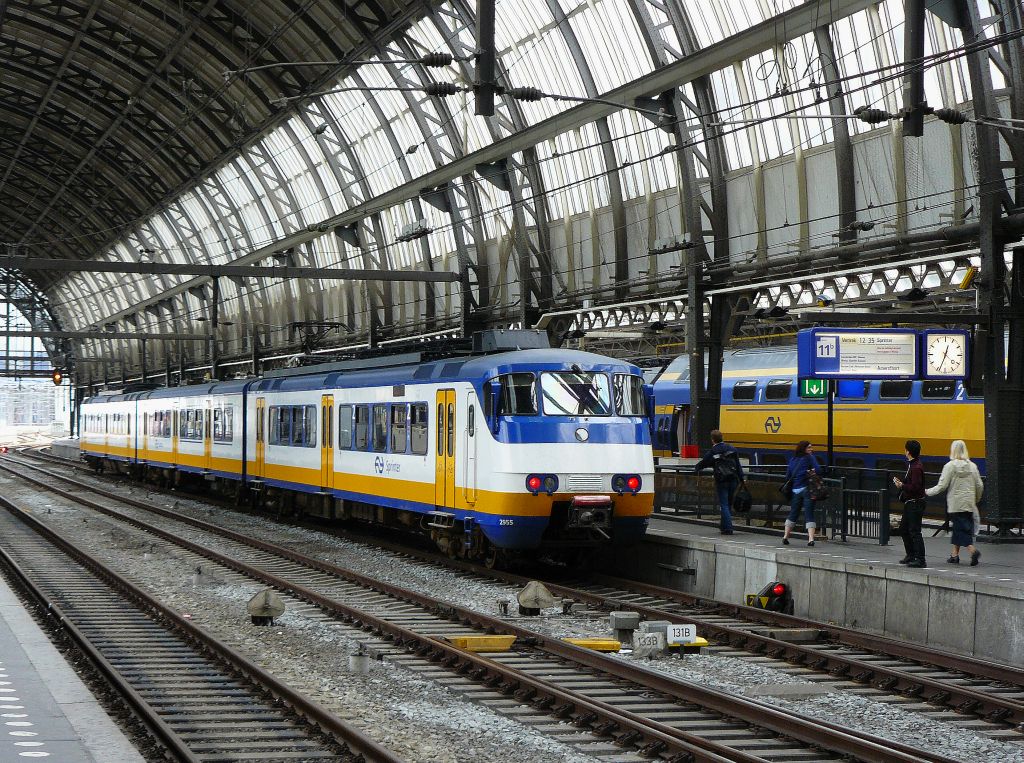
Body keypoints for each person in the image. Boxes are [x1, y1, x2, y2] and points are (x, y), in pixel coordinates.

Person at [925, 440, 983, 566]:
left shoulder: (950, 466)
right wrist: (976, 499)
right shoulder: (972, 466)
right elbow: (979, 485)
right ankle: (954, 555)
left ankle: (973, 551)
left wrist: (927, 492)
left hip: (956, 504)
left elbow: (942, 486)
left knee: (960, 530)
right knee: (960, 528)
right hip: (968, 503)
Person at [694, 430, 744, 534]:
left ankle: (728, 528)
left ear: (713, 440)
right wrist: (741, 478)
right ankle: (724, 526)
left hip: (721, 480)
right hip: (733, 479)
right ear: (722, 438)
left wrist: (697, 468)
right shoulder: (732, 449)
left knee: (724, 504)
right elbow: (738, 465)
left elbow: (705, 462)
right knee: (729, 503)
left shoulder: (713, 451)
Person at [893, 439, 927, 568]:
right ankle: (911, 554)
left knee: (914, 531)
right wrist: (902, 485)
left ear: (908, 451)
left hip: (915, 503)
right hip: (910, 502)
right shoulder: (913, 465)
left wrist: (902, 485)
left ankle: (920, 558)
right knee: (904, 529)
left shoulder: (916, 467)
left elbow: (916, 487)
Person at [781, 441, 820, 546]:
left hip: (795, 490)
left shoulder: (793, 459)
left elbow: (788, 476)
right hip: (807, 489)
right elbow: (818, 469)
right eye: (809, 448)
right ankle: (811, 539)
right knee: (809, 513)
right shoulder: (809, 458)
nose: (811, 449)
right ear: (804, 449)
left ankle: (785, 536)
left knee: (793, 513)